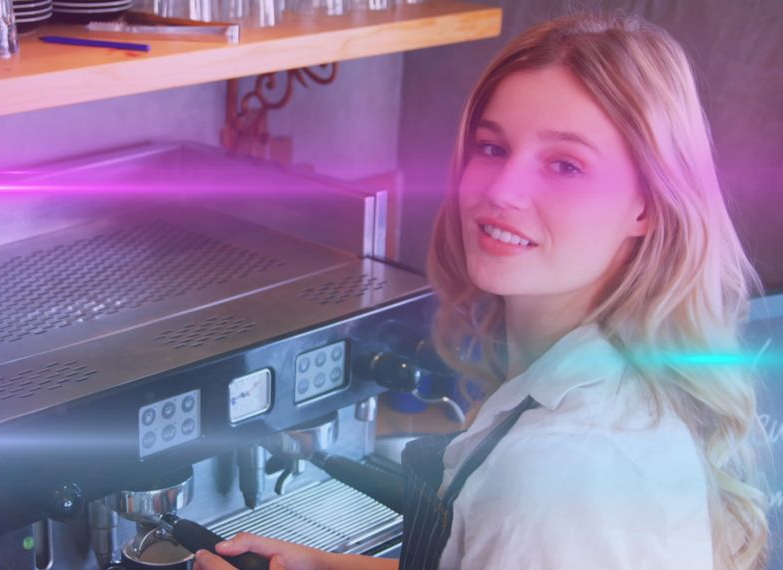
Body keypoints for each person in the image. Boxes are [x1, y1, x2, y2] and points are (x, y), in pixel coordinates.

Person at [194, 12, 769, 570]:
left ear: (647, 204)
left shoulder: (558, 472)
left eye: (565, 165)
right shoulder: (617, 381)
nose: (503, 190)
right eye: (492, 148)